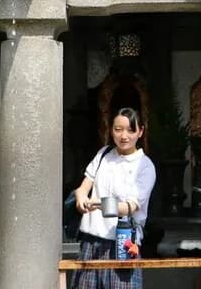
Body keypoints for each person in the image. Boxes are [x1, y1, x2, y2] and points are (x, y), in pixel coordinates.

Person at [71, 107, 156, 289]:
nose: (124, 136)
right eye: (118, 129)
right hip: (91, 241)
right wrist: (81, 198)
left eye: (130, 130)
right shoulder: (103, 154)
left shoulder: (145, 166)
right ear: (110, 130)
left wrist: (100, 205)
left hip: (122, 243)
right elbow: (83, 187)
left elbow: (130, 207)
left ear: (140, 131)